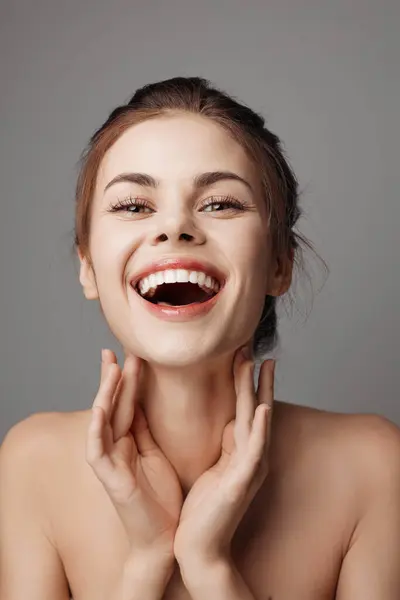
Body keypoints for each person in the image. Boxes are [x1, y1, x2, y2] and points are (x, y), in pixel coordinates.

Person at [1, 76, 399, 600]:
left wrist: (209, 567)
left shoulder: (374, 466)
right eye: (133, 206)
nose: (174, 228)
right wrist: (147, 563)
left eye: (219, 204)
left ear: (279, 264)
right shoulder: (31, 462)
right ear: (88, 267)